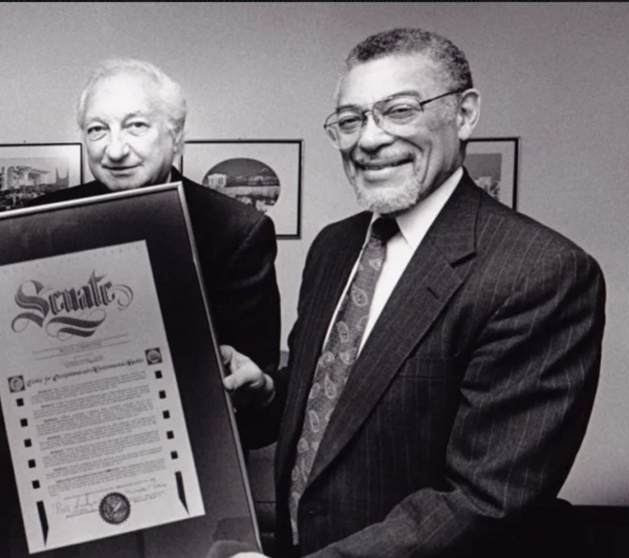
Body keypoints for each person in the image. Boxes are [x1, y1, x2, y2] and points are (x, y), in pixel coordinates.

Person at [234, 28, 606, 558]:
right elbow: (339, 397)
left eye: (399, 111)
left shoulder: (540, 273)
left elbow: (487, 499)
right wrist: (269, 392)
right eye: (350, 120)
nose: (369, 139)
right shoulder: (334, 248)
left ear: (465, 113)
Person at [31, 59, 282, 411]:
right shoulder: (39, 222)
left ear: (176, 135)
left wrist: (253, 390)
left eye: (135, 126)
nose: (115, 151)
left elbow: (258, 380)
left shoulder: (237, 229)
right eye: (97, 130)